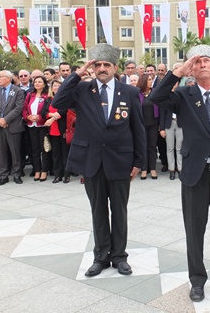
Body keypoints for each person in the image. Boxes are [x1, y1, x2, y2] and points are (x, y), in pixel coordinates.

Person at [150, 45, 210, 302]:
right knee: (195, 230)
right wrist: (178, 72)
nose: (202, 64)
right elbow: (155, 98)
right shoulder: (183, 94)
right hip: (195, 173)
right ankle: (197, 280)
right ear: (191, 69)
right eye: (197, 62)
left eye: (206, 60)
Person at [52, 43, 146, 278]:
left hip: (120, 160)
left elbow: (138, 129)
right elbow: (58, 102)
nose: (102, 69)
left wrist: (139, 161)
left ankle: (119, 257)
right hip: (92, 160)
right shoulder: (82, 90)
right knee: (98, 211)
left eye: (106, 65)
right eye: (98, 65)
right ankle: (101, 257)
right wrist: (77, 74)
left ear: (115, 67)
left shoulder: (130, 92)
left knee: (119, 210)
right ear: (92, 67)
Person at [0, 70, 25, 185]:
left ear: (8, 78)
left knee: (15, 152)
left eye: (0, 77)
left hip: (12, 125)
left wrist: (6, 119)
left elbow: (19, 108)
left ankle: (17, 174)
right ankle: (3, 175)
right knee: (1, 152)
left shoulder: (18, 91)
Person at [42, 79, 71, 183]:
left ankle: (66, 174)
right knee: (55, 153)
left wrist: (52, 118)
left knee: (65, 153)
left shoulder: (65, 98)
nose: (57, 87)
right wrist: (50, 115)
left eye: (59, 86)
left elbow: (63, 111)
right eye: (55, 86)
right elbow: (43, 112)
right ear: (51, 87)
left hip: (63, 129)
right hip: (52, 130)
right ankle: (57, 175)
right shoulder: (48, 100)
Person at [23, 75, 50, 181]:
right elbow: (24, 108)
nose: (37, 83)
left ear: (44, 84)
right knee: (34, 149)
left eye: (39, 82)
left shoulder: (47, 96)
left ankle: (44, 170)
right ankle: (37, 170)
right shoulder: (30, 95)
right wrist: (27, 117)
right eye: (35, 82)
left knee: (44, 149)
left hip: (42, 126)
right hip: (31, 125)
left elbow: (48, 110)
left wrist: (40, 117)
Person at [159, 82, 183, 180]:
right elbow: (162, 113)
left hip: (180, 124)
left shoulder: (181, 95)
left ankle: (180, 169)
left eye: (175, 83)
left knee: (179, 148)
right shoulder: (165, 96)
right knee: (169, 148)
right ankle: (172, 169)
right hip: (169, 123)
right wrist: (162, 128)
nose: (174, 85)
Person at [137, 73, 159, 180]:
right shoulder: (137, 93)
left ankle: (153, 169)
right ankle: (144, 169)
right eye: (149, 80)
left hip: (154, 123)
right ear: (144, 81)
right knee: (143, 147)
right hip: (141, 124)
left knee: (152, 147)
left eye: (151, 79)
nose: (151, 81)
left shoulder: (155, 92)